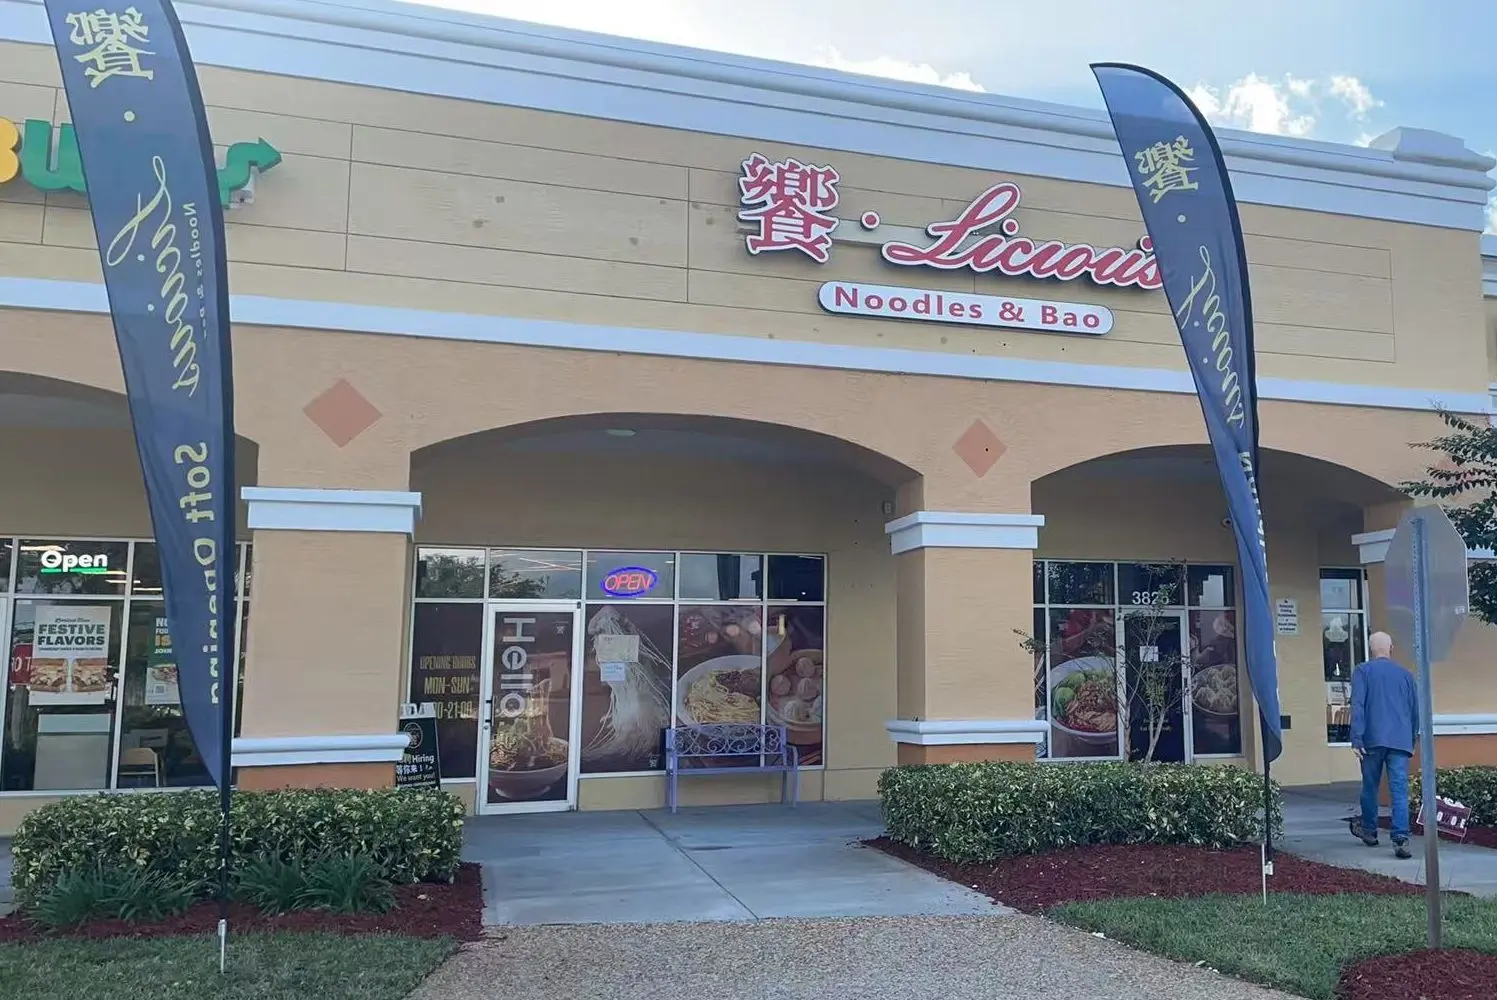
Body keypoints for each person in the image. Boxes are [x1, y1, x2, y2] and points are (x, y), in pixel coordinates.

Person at [1349, 631, 1420, 860]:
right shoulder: (1406, 675)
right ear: (1391, 648)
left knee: (1370, 786)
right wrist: (1411, 739)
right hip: (1400, 740)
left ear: (1371, 649)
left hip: (1372, 739)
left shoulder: (1363, 671)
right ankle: (1400, 838)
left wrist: (1356, 738)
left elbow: (1357, 705)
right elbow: (1414, 710)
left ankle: (1369, 831)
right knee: (1399, 790)